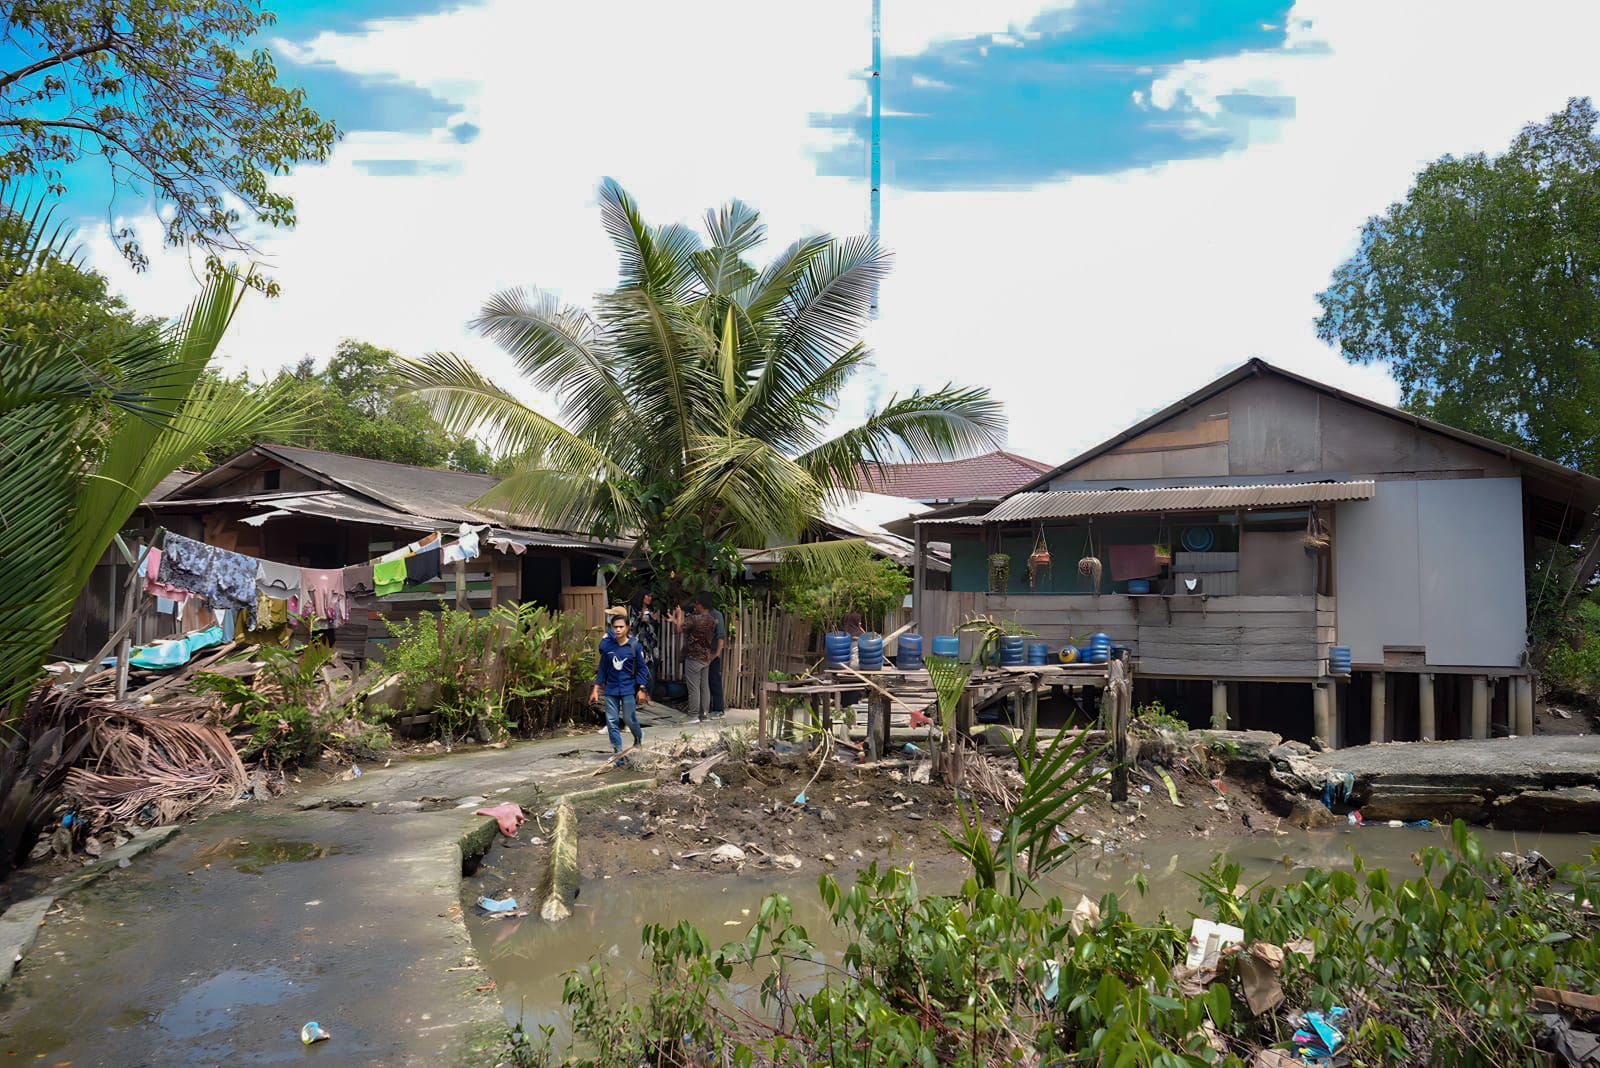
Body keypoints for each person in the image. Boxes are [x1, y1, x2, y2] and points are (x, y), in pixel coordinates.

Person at [589, 612, 650, 762]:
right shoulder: (608, 647)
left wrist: (642, 689)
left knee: (630, 719)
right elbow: (602, 669)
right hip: (611, 689)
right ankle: (618, 752)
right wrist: (595, 689)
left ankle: (638, 738)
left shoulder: (634, 645)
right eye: (615, 627)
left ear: (628, 628)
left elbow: (642, 668)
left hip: (628, 688)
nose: (618, 630)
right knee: (611, 721)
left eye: (621, 627)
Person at [674, 598, 717, 723]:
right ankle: (704, 714)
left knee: (694, 688)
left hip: (693, 657)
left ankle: (693, 715)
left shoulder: (694, 619)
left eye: (697, 604)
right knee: (704, 687)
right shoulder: (712, 620)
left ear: (701, 605)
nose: (695, 606)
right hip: (705, 657)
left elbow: (679, 629)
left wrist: (680, 614)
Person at [697, 591, 726, 718]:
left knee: (714, 680)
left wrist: (717, 654)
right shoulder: (698, 615)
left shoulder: (716, 616)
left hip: (712, 653)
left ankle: (718, 709)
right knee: (703, 683)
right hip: (700, 654)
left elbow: (721, 636)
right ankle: (705, 709)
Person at [629, 589, 661, 694]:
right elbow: (632, 626)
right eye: (648, 596)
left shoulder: (652, 609)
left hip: (650, 645)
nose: (649, 598)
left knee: (651, 668)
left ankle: (649, 695)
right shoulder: (634, 609)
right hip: (639, 643)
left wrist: (655, 620)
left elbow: (655, 628)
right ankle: (638, 693)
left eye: (651, 596)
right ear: (642, 596)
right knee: (638, 668)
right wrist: (640, 616)